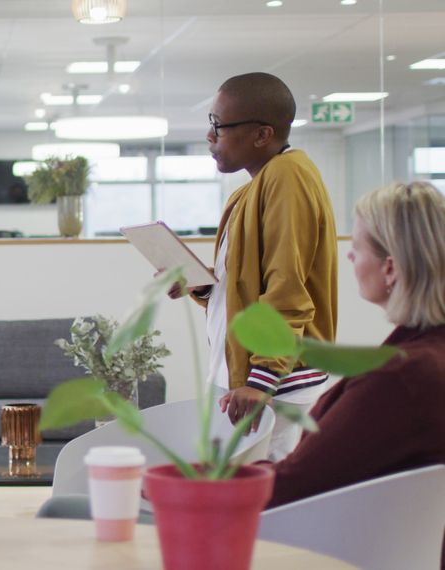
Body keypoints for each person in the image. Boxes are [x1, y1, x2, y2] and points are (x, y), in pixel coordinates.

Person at [170, 72, 338, 460]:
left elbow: (288, 289)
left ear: (262, 134)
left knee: (262, 508)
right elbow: (250, 283)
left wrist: (261, 382)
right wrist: (201, 284)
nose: (210, 138)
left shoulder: (287, 176)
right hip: (250, 381)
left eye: (219, 126)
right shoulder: (254, 186)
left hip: (274, 387)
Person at [265, 181, 445, 507]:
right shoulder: (428, 354)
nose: (348, 254)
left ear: (390, 268)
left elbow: (296, 485)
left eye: (357, 247)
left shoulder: (402, 377)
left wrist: (210, 479)